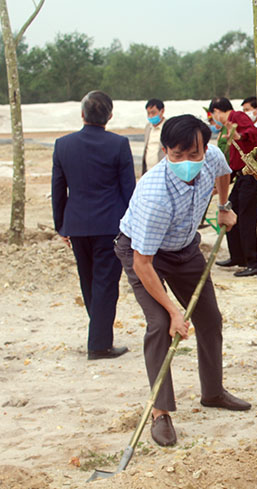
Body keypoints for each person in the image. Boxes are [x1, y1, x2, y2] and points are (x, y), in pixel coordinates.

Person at [114, 115, 252, 447]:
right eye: (177, 155)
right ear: (165, 151)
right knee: (161, 324)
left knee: (210, 318)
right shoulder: (154, 194)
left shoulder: (212, 157)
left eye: (194, 155)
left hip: (185, 248)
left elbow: (223, 173)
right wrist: (175, 311)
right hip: (144, 254)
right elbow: (142, 263)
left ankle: (213, 392)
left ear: (204, 148)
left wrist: (223, 206)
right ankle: (160, 412)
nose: (187, 163)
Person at [52, 90, 135, 360]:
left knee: (88, 280)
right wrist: (131, 226)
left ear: (82, 114)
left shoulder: (62, 145)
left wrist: (60, 225)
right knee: (106, 284)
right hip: (110, 224)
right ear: (110, 116)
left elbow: (58, 189)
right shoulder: (119, 144)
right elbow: (128, 190)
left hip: (76, 224)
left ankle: (98, 333)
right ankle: (99, 345)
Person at [209, 97, 257, 277]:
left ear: (217, 111)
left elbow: (253, 134)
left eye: (213, 114)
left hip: (250, 176)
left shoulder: (237, 117)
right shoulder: (228, 126)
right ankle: (238, 256)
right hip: (240, 176)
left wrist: (239, 136)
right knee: (232, 210)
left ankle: (254, 262)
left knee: (246, 219)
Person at [142, 98, 167, 175]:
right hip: (148, 171)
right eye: (148, 113)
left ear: (162, 111)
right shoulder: (148, 127)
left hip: (163, 171)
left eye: (153, 113)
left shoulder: (168, 127)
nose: (150, 116)